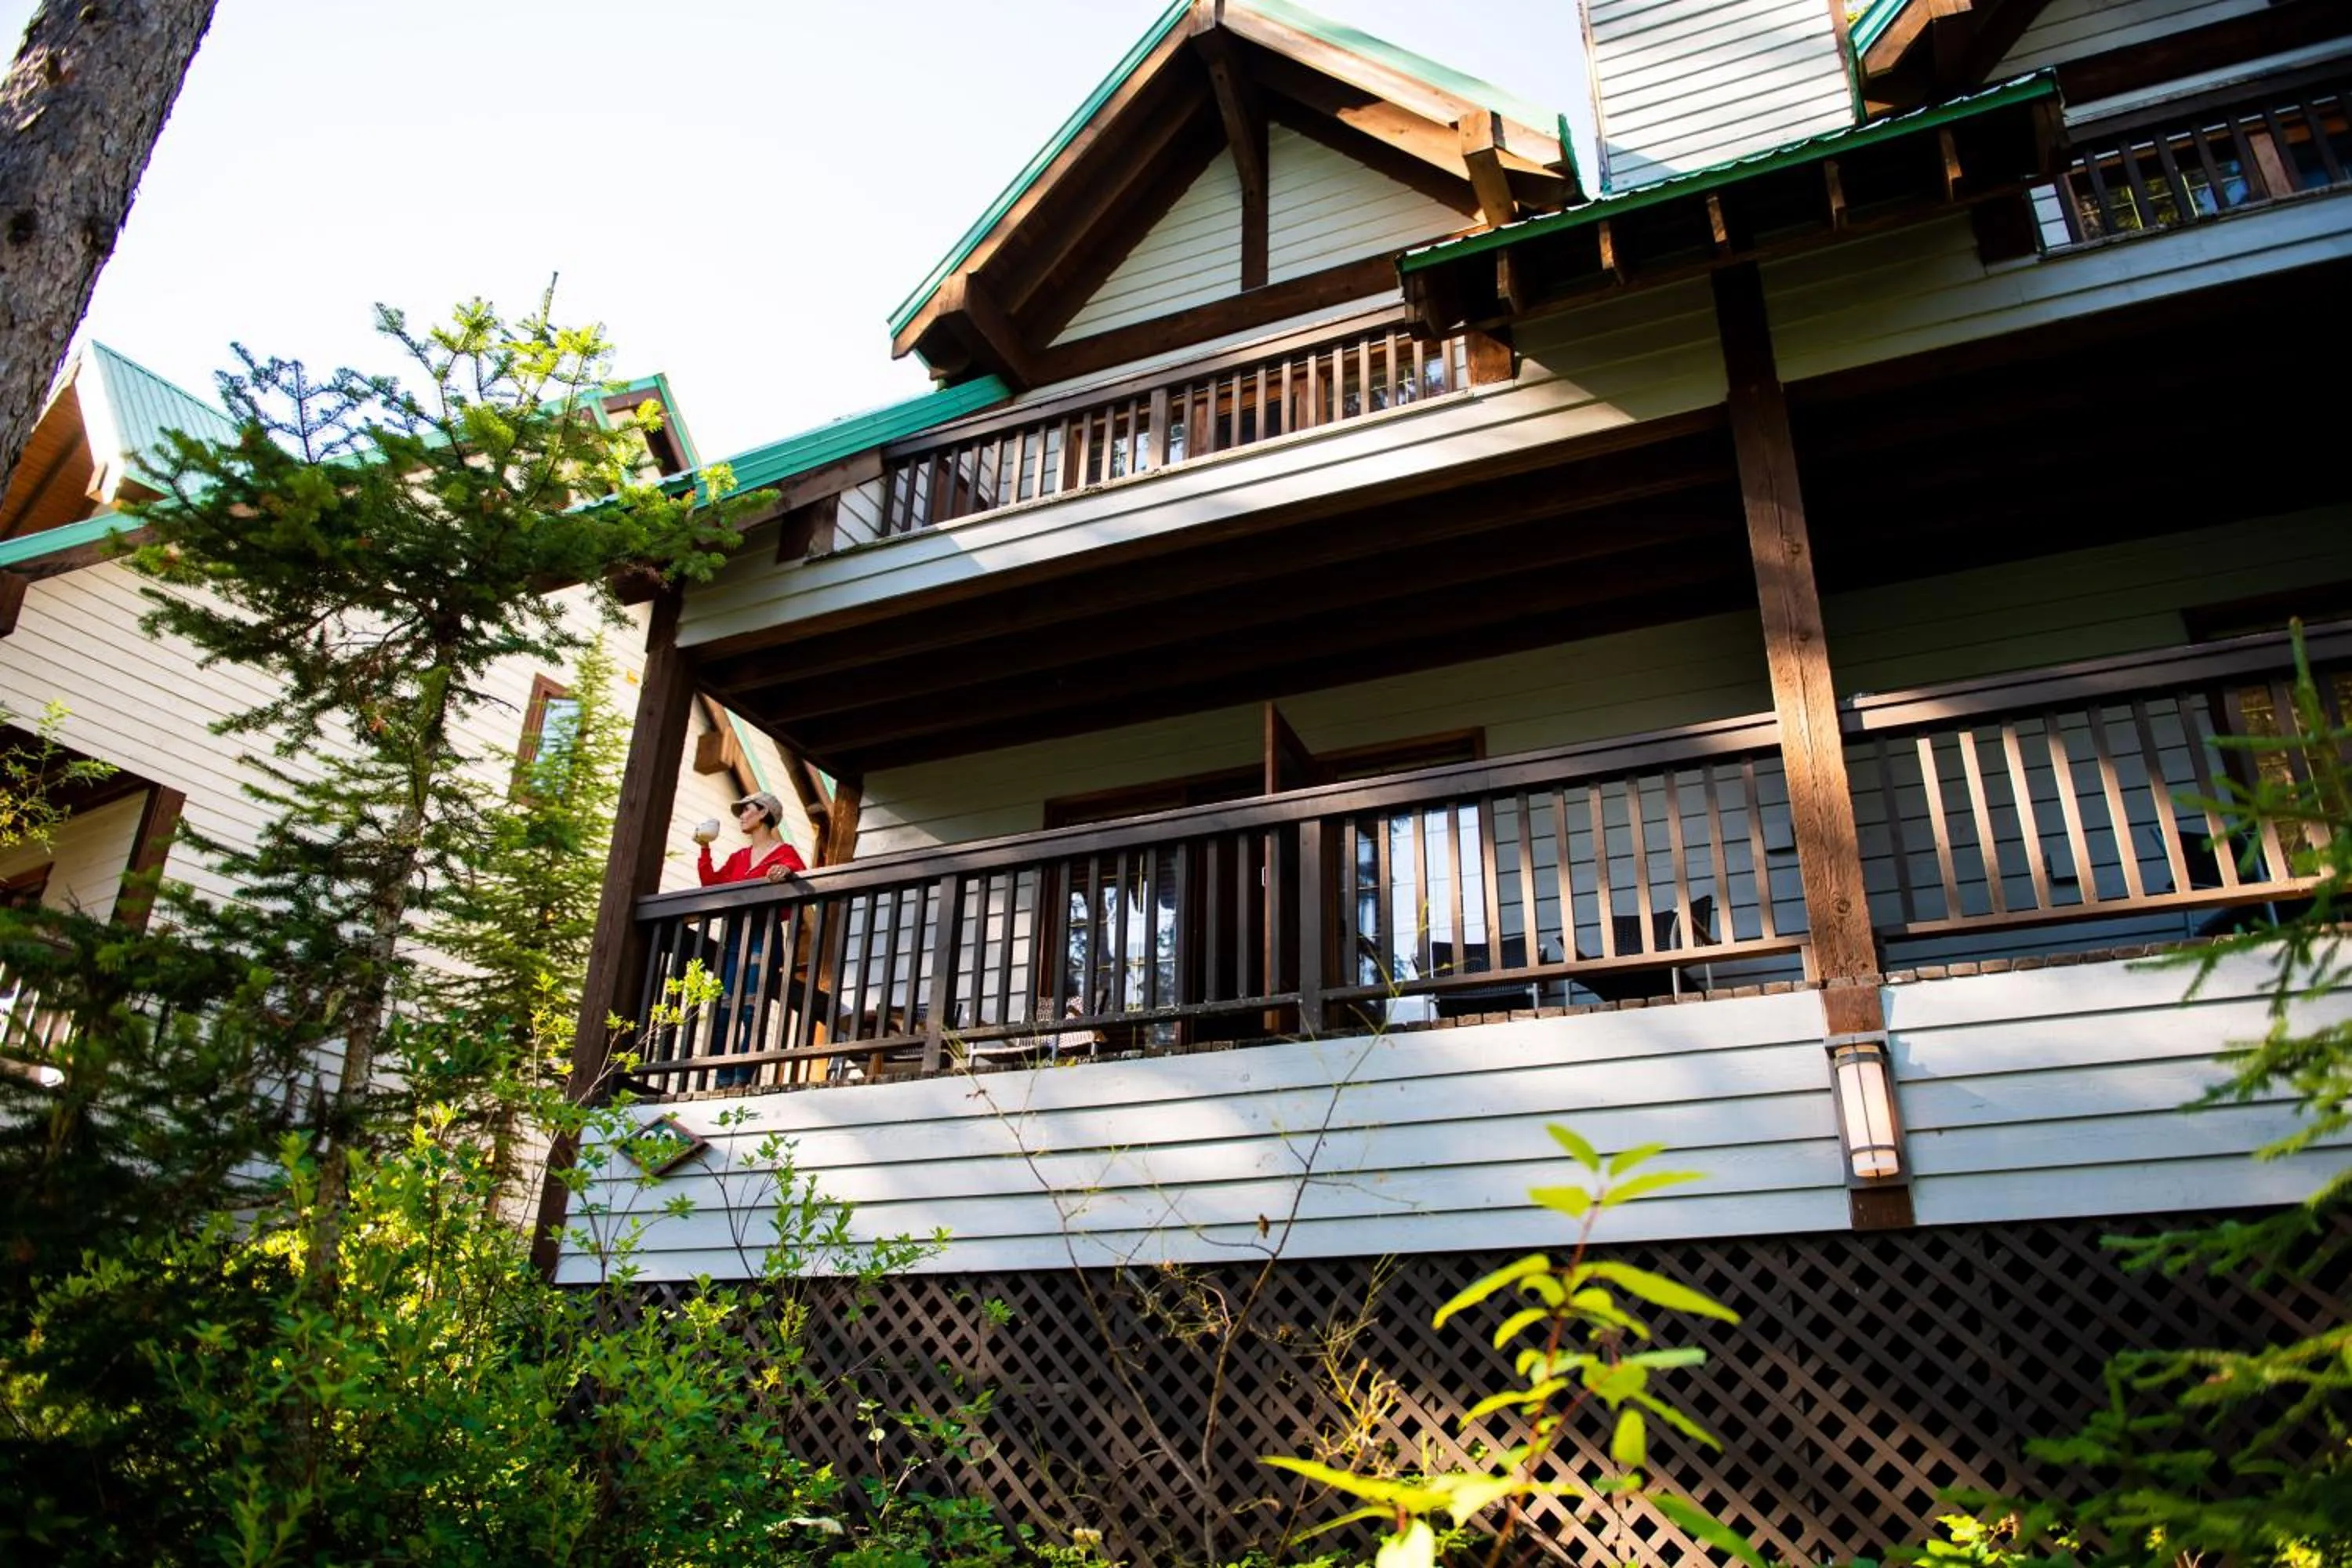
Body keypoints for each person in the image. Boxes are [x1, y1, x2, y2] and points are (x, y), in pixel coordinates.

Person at [691, 792, 807, 1086]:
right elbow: (711, 885)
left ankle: (743, 1077)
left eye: (747, 810)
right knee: (724, 1008)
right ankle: (722, 1078)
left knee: (750, 1008)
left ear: (764, 813)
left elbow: (802, 875)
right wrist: (705, 850)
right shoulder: (738, 858)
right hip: (734, 936)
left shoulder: (784, 852)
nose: (742, 816)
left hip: (762, 934)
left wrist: (787, 872)